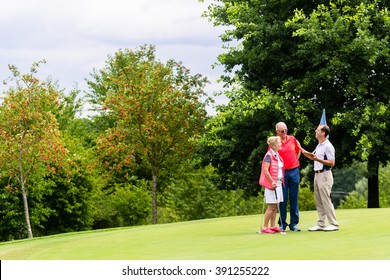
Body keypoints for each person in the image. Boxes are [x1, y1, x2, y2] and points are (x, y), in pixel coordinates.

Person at [300, 124, 339, 231]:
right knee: (318, 200)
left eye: (317, 130)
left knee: (325, 199)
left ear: (323, 133)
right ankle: (321, 224)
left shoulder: (328, 146)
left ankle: (333, 224)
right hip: (317, 175)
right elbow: (313, 156)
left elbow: (331, 163)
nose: (315, 131)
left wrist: (318, 160)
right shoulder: (319, 145)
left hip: (325, 174)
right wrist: (301, 149)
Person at [274, 122, 301, 231]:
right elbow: (272, 157)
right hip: (282, 173)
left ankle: (294, 223)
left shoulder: (292, 139)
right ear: (277, 132)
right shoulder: (275, 141)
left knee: (294, 197)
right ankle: (282, 223)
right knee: (283, 198)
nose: (284, 132)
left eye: (285, 130)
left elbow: (298, 151)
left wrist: (295, 161)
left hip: (294, 171)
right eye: (282, 131)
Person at [259, 136, 284, 234]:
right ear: (273, 145)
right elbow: (265, 170)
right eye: (279, 143)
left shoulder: (276, 155)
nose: (280, 144)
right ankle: (265, 227)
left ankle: (273, 226)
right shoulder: (268, 155)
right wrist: (272, 181)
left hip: (278, 183)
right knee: (271, 205)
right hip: (271, 184)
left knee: (276, 206)